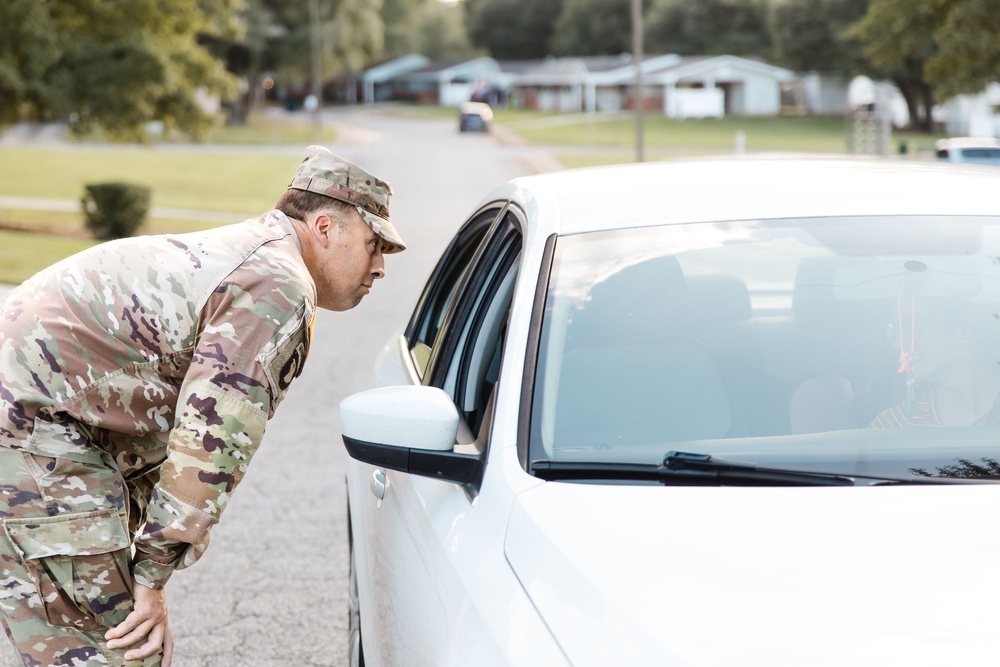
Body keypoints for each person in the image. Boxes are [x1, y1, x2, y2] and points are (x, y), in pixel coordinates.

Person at [0, 145, 405, 666]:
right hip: (35, 426)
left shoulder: (258, 251)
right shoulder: (278, 286)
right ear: (324, 227)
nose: (380, 268)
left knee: (61, 639)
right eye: (374, 246)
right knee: (117, 648)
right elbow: (210, 446)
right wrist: (150, 578)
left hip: (38, 418)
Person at [869, 297, 1000, 428]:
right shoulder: (892, 426)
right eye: (896, 332)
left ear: (963, 332)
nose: (901, 344)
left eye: (914, 325)